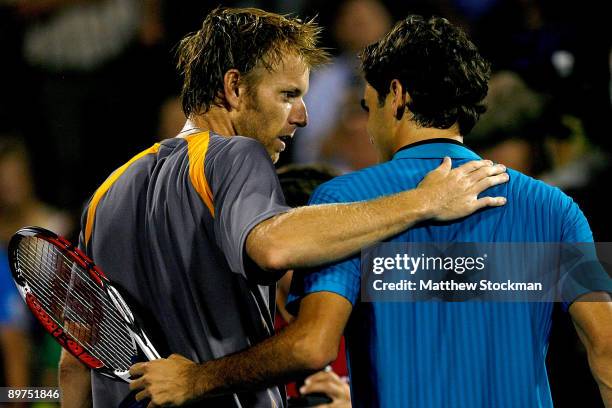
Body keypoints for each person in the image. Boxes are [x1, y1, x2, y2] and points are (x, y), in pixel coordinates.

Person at [128, 15, 612, 408]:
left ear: (397, 96)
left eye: (370, 105)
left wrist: (197, 379)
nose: (372, 125)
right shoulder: (556, 207)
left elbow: (311, 347)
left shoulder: (343, 202)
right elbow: (606, 350)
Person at [59, 8, 509, 407]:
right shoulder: (235, 154)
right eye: (288, 94)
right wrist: (425, 200)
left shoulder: (106, 193)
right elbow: (274, 245)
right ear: (234, 87)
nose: (303, 116)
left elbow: (75, 360)